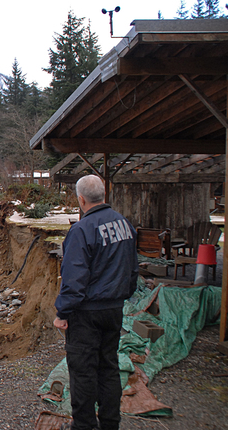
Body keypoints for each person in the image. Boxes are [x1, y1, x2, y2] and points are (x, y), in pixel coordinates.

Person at [54, 175, 139, 430]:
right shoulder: (125, 225)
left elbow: (74, 278)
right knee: (109, 367)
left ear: (80, 199)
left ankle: (84, 425)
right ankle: (110, 424)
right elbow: (133, 269)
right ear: (104, 194)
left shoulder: (82, 229)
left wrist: (63, 312)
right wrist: (124, 295)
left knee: (83, 372)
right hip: (114, 309)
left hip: (86, 313)